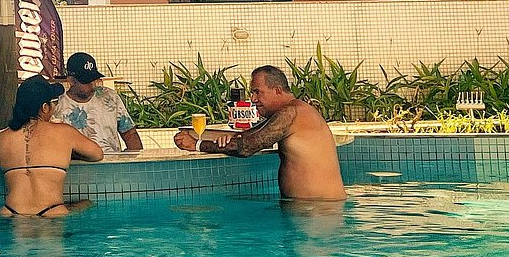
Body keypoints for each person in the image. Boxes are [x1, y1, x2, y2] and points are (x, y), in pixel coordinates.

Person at [174, 65, 346, 201]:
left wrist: (197, 144)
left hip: (318, 210)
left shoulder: (291, 113)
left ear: (277, 90)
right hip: (312, 207)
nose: (253, 99)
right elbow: (248, 135)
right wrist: (194, 134)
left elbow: (247, 146)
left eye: (257, 92)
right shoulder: (291, 112)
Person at [0, 75, 103, 217]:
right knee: (87, 203)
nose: (54, 107)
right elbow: (97, 154)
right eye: (53, 103)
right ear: (45, 107)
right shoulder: (64, 132)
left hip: (10, 212)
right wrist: (67, 152)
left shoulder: (1, 138)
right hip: (51, 211)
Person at [52, 52, 143, 154]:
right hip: (75, 163)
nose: (93, 85)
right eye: (86, 81)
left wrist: (136, 158)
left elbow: (130, 134)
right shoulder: (57, 105)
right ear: (71, 81)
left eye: (94, 79)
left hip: (112, 161)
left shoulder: (110, 96)